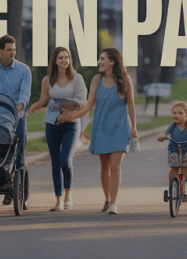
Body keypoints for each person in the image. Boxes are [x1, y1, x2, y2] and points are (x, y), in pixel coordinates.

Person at [58, 47, 137, 215]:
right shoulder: (96, 79)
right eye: (99, 58)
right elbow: (88, 106)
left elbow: (131, 105)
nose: (99, 62)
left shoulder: (125, 79)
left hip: (120, 128)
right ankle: (107, 199)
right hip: (101, 127)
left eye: (102, 59)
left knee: (115, 166)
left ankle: (114, 204)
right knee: (104, 166)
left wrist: (135, 127)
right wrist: (70, 117)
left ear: (112, 61)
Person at [28, 47, 87, 211]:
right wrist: (30, 109)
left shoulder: (77, 78)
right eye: (60, 57)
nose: (64, 60)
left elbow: (81, 100)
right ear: (55, 60)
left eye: (66, 57)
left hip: (71, 123)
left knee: (65, 161)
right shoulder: (48, 80)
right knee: (55, 162)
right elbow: (44, 100)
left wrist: (66, 111)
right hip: (52, 123)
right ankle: (59, 200)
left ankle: (69, 196)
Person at [0, 35, 31, 204]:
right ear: (0, 51)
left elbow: (24, 93)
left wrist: (19, 108)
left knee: (19, 156)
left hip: (17, 117)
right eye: (9, 50)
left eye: (14, 49)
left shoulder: (24, 70)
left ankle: (21, 195)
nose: (12, 53)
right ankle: (3, 182)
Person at [157, 101, 187, 202]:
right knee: (174, 169)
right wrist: (163, 137)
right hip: (174, 149)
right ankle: (171, 190)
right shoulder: (173, 126)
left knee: (186, 170)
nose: (176, 115)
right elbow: (166, 134)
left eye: (180, 113)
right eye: (174, 113)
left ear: (186, 114)